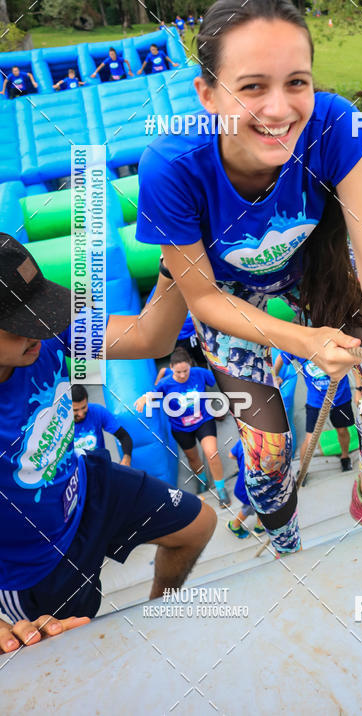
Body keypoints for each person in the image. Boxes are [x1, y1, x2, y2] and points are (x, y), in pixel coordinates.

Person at [135, 0, 362, 556]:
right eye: (253, 86)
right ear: (207, 93)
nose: (280, 109)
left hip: (312, 262)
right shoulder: (171, 166)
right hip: (229, 292)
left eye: (296, 82)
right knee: (266, 451)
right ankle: (286, 545)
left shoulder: (335, 125)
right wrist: (304, 341)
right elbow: (202, 299)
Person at [0, 233, 217, 652]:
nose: (39, 330)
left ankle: (158, 619)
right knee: (78, 654)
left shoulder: (46, 334)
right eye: (22, 324)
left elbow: (150, 337)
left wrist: (173, 263)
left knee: (199, 525)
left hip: (88, 485)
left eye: (40, 313)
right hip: (39, 564)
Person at [135, 347, 231, 507]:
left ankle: (221, 489)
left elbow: (217, 380)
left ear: (190, 365)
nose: (182, 375)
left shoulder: (199, 373)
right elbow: (153, 393)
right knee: (193, 458)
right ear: (171, 368)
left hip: (204, 421)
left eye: (185, 371)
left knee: (211, 453)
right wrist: (145, 398)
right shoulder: (166, 383)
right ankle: (202, 480)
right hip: (181, 429)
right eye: (178, 372)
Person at [274, 351, 354, 477]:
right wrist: (274, 376)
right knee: (310, 438)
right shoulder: (299, 346)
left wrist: (359, 388)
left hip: (340, 396)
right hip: (316, 399)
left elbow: (355, 360)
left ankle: (345, 457)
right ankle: (302, 468)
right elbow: (281, 356)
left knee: (342, 430)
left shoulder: (333, 342)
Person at [71, 384, 133, 466]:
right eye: (75, 410)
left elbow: (124, 437)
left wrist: (126, 459)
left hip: (99, 466)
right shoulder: (60, 425)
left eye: (83, 407)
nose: (81, 414)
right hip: (75, 469)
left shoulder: (97, 411)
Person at [227, 439, 265, 539]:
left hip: (243, 485)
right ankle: (234, 526)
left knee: (262, 504)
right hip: (251, 489)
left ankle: (260, 525)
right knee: (249, 508)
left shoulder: (243, 440)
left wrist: (242, 461)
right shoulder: (265, 449)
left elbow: (231, 455)